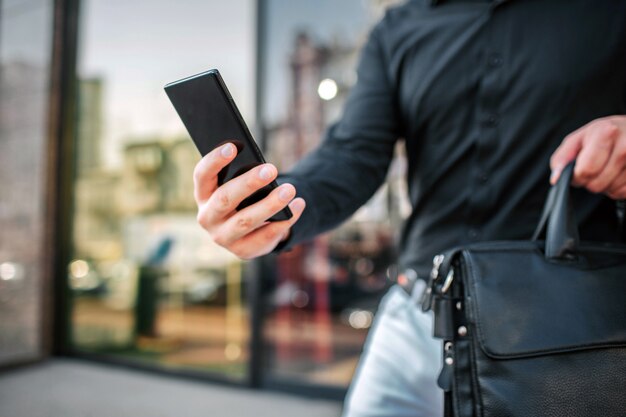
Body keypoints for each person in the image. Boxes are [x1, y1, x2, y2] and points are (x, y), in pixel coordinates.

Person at [193, 1, 626, 416]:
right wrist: (274, 209)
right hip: (418, 318)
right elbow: (353, 157)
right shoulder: (400, 27)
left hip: (562, 329)